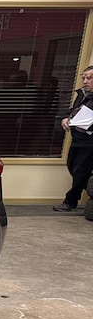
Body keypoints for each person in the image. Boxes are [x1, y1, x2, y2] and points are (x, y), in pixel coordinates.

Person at [54, 65, 93, 212]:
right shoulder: (82, 95)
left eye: (89, 77)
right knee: (72, 165)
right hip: (77, 139)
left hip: (90, 141)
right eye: (83, 77)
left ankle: (70, 201)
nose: (85, 81)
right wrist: (66, 118)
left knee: (80, 170)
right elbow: (73, 110)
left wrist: (88, 128)